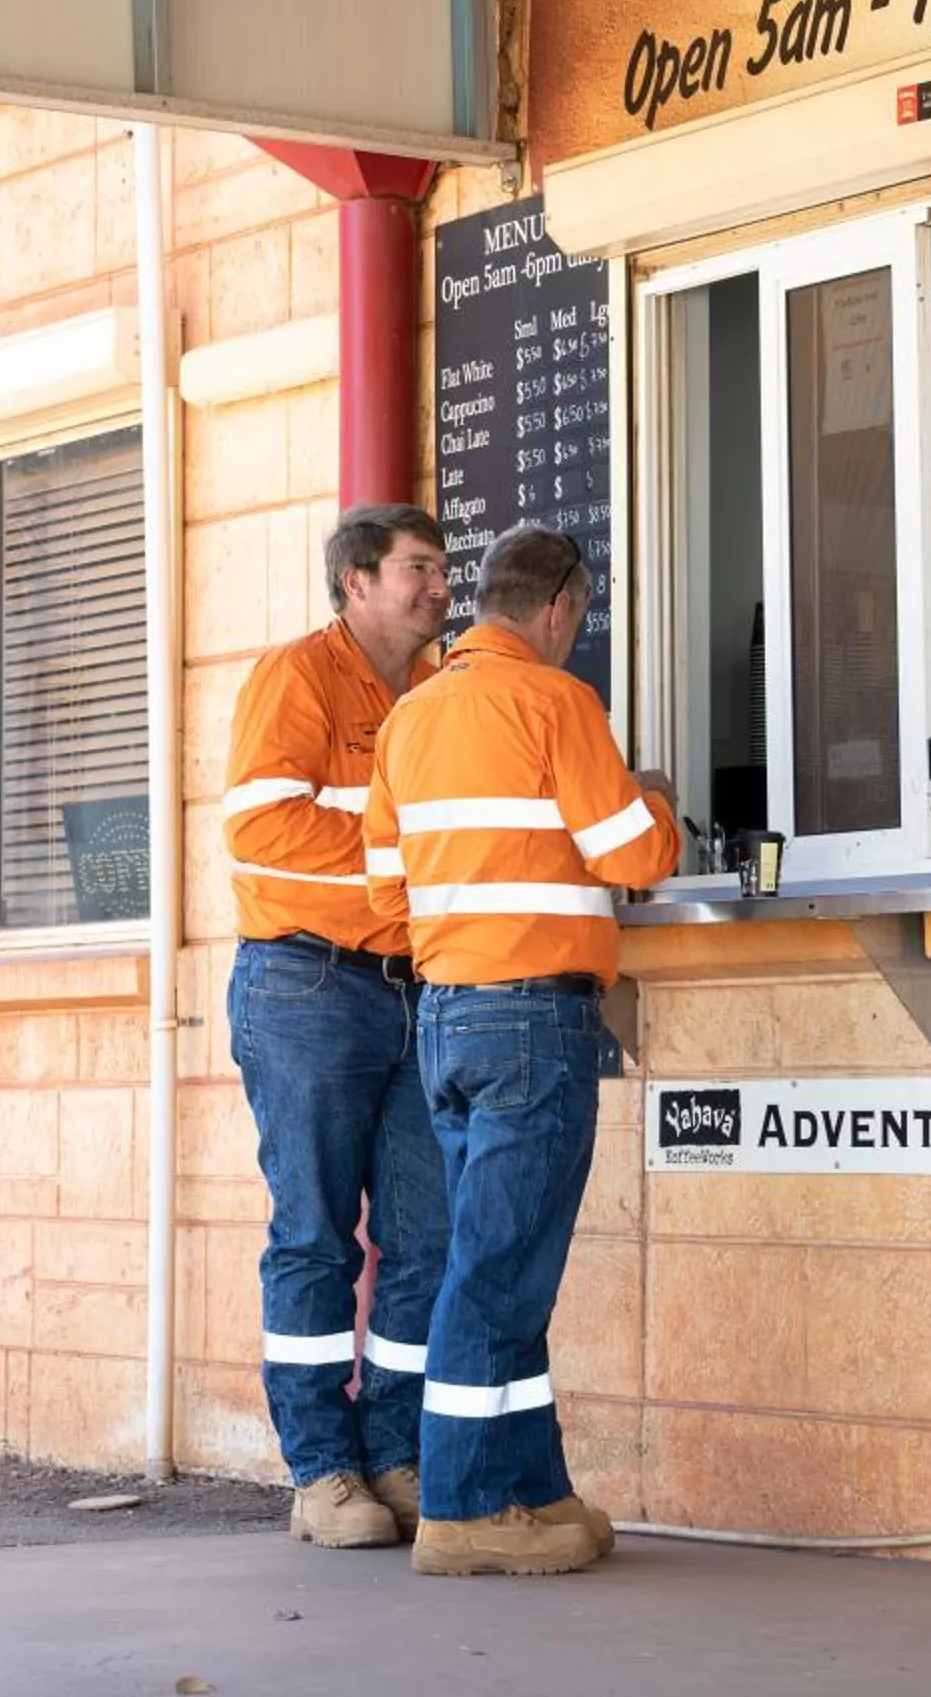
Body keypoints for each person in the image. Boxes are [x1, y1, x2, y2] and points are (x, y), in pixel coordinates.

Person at [364, 523, 679, 1578]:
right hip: (533, 1016)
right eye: (578, 620)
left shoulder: (409, 718)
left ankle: (533, 1487)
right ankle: (457, 1505)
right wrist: (661, 800)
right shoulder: (555, 702)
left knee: (507, 1262)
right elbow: (632, 852)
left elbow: (380, 889)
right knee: (497, 1271)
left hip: (446, 1012)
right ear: (560, 607)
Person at [222, 503, 456, 1550]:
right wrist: (402, 852)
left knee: (427, 1236)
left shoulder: (441, 694)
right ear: (355, 580)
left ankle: (394, 1456)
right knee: (314, 1234)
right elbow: (260, 825)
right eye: (417, 567)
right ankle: (320, 1472)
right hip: (308, 985)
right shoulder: (299, 676)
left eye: (443, 568)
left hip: (421, 985)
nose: (439, 586)